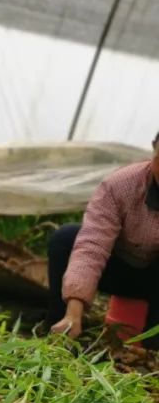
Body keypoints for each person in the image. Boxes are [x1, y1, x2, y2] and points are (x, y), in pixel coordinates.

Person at [47, 130, 159, 348]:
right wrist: (74, 309)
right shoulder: (121, 186)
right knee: (65, 239)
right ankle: (60, 333)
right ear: (153, 150)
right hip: (115, 270)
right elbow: (92, 245)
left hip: (155, 283)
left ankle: (151, 350)